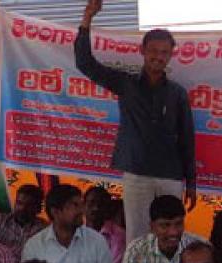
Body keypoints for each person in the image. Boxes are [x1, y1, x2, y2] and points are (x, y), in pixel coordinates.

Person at [76, 0, 197, 242]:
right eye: (153, 51)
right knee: (138, 237)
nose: (158, 57)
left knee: (171, 236)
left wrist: (191, 183)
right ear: (142, 51)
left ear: (171, 55)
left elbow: (187, 139)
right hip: (136, 174)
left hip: (170, 176)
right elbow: (85, 64)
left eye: (164, 52)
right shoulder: (126, 84)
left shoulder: (177, 93)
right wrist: (87, 19)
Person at [0, 184, 47, 260]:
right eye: (19, 203)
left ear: (38, 208)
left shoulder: (43, 229)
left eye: (29, 205)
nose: (22, 208)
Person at [84, 186, 127, 263]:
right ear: (83, 206)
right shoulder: (75, 233)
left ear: (108, 208)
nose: (96, 208)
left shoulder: (119, 236)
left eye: (101, 204)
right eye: (91, 203)